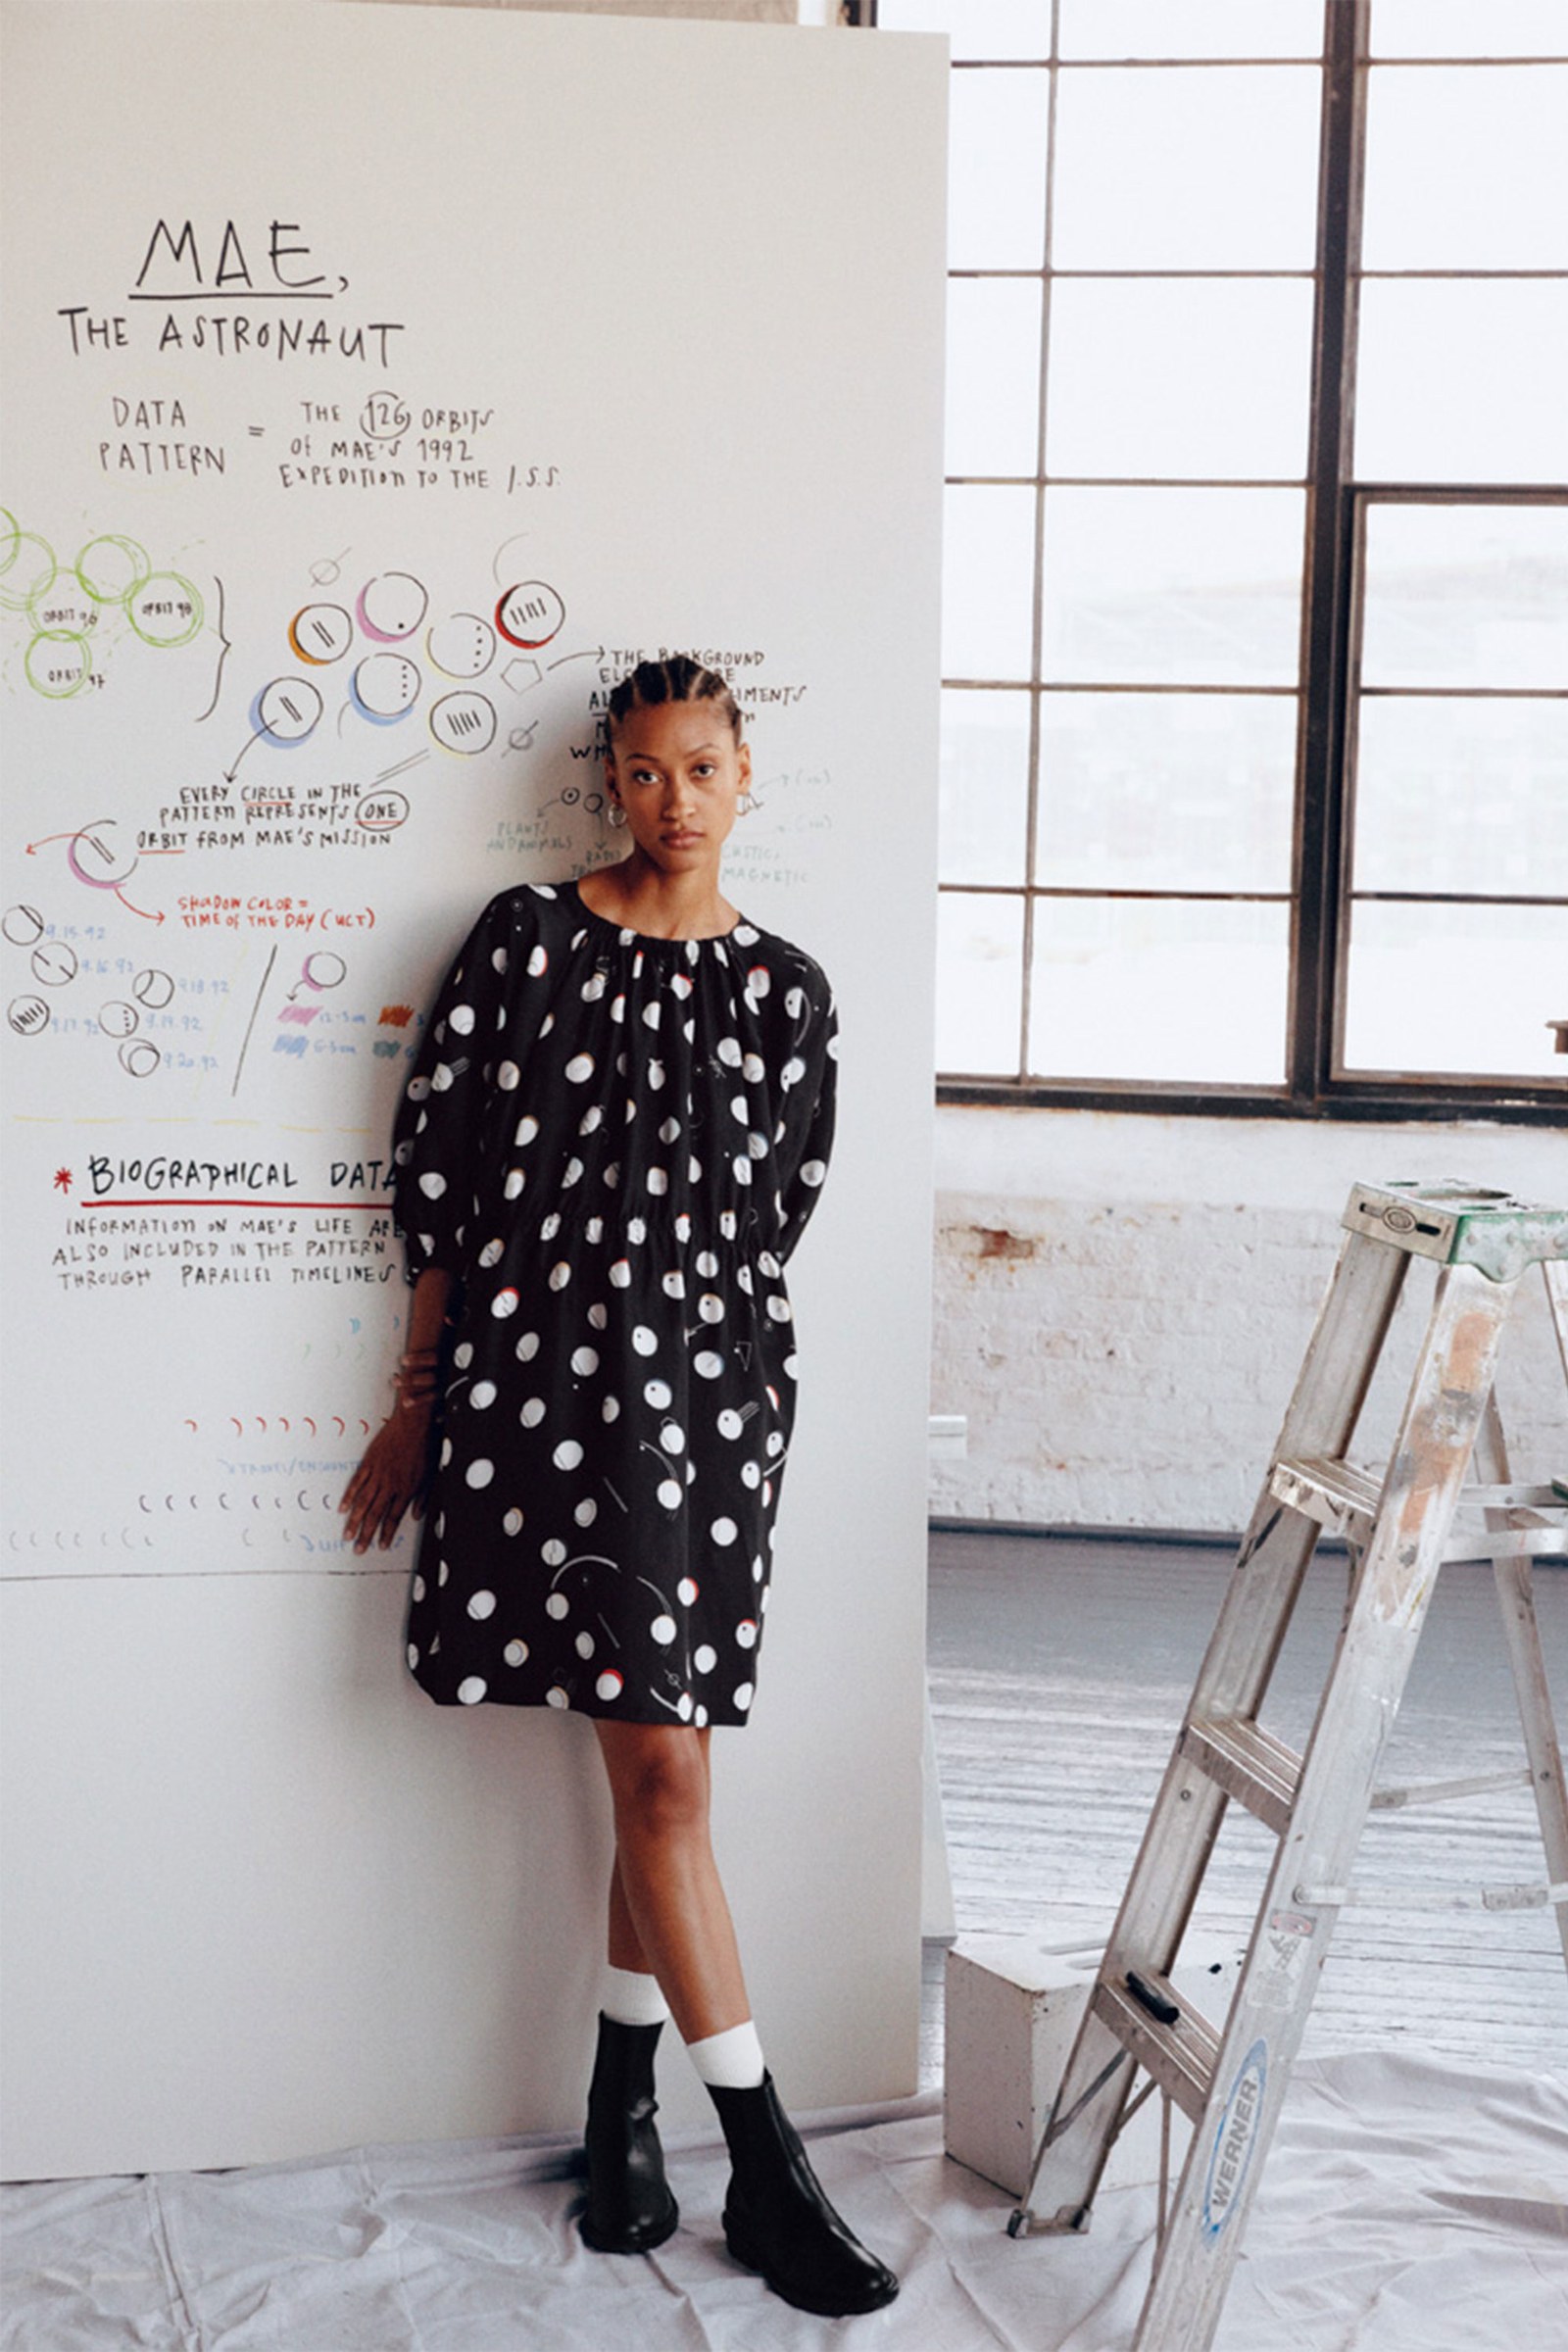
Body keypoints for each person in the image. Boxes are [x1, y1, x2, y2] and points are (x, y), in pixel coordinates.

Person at [340, 654, 898, 2318]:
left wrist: (709, 1367)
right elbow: (438, 1187)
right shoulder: (523, 942)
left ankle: (620, 2109)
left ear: (746, 774)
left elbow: (775, 1215)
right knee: (661, 1774)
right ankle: (765, 2164)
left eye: (701, 768)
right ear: (610, 782)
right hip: (543, 1399)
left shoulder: (788, 991)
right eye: (644, 772)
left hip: (713, 1409)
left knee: (670, 1778)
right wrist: (418, 1402)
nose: (673, 800)